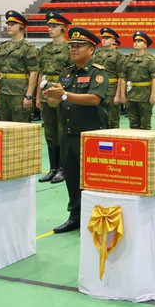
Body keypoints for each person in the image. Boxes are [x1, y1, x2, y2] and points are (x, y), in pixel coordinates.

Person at [42, 27, 108, 233]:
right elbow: (56, 103)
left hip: (90, 134)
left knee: (91, 179)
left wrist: (64, 95)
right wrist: (52, 98)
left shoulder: (98, 73)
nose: (74, 49)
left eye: (80, 45)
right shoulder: (66, 74)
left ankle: (95, 216)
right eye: (72, 45)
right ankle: (75, 216)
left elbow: (94, 99)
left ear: (92, 49)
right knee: (71, 177)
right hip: (68, 133)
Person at [37, 12, 73, 184]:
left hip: (61, 91)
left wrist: (66, 94)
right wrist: (38, 95)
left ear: (63, 29)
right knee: (50, 131)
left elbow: (72, 73)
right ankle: (53, 168)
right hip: (46, 91)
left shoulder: (69, 48)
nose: (50, 29)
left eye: (54, 26)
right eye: (49, 26)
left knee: (62, 129)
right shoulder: (45, 49)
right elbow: (41, 73)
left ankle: (63, 168)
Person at [0, 11, 38, 123]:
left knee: (20, 125)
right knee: (5, 125)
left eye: (12, 24)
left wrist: (29, 95)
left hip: (19, 93)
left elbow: (33, 72)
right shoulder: (3, 47)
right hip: (3, 92)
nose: (9, 27)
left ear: (21, 27)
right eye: (8, 24)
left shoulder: (27, 47)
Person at [120, 31, 155, 129]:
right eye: (135, 41)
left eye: (139, 41)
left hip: (145, 96)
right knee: (133, 125)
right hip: (131, 96)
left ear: (145, 45)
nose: (136, 43)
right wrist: (122, 95)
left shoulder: (150, 60)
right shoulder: (128, 59)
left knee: (145, 125)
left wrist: (153, 95)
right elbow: (123, 78)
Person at [94, 27, 127, 129]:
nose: (104, 40)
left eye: (107, 38)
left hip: (112, 89)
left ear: (113, 41)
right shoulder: (98, 54)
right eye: (103, 38)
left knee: (112, 120)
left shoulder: (118, 55)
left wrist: (118, 95)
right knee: (99, 119)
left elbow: (121, 76)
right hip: (98, 88)